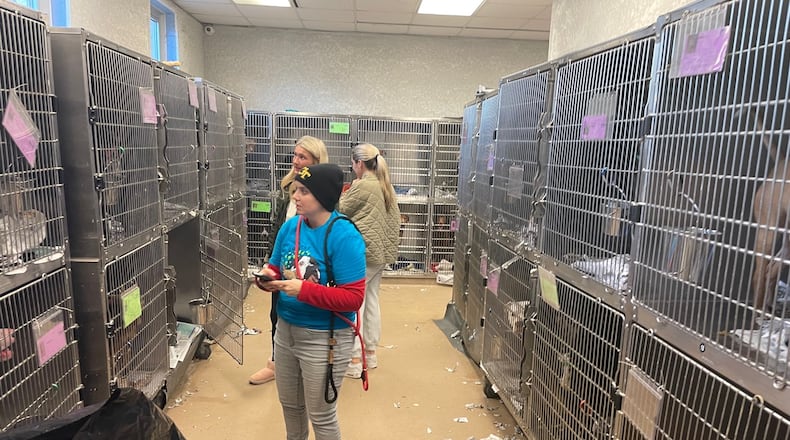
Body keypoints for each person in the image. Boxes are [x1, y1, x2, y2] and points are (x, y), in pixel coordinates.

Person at [254, 163, 366, 440]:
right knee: (291, 407)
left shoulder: (344, 235)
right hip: (286, 332)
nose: (296, 196)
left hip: (325, 337)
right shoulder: (291, 227)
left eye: (304, 191)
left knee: (322, 417)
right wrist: (267, 276)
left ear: (324, 197)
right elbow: (276, 265)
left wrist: (302, 290)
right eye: (296, 189)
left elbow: (353, 299)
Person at [249, 135, 329, 385]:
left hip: (309, 266)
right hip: (283, 262)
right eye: (295, 155)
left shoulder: (325, 195)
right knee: (277, 314)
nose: (295, 160)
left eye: (302, 157)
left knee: (308, 314)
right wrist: (269, 262)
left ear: (316, 161)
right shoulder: (288, 187)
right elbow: (278, 226)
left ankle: (312, 365)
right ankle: (276, 363)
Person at [338, 143, 400, 379]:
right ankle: (370, 354)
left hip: (363, 253)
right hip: (381, 254)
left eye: (353, 164)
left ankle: (354, 361)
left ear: (359, 164)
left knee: (354, 303)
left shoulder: (363, 185)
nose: (352, 168)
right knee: (371, 300)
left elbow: (341, 208)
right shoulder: (386, 185)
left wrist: (346, 191)